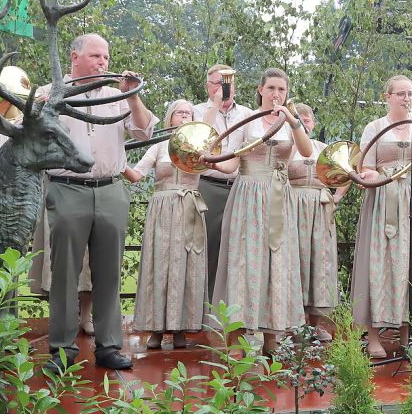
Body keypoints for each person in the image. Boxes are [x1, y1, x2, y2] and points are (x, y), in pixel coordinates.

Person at [44, 33, 158, 372]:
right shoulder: (50, 93)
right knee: (64, 272)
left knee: (109, 272)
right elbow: (27, 131)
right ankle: (62, 350)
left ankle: (108, 347)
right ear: (75, 57)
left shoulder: (116, 96)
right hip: (67, 187)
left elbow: (145, 131)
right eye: (95, 56)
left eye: (106, 57)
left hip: (111, 189)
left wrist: (132, 95)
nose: (103, 63)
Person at [205, 68, 313, 355]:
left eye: (282, 89)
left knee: (276, 262)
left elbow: (306, 151)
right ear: (261, 90)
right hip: (249, 195)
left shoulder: (290, 122)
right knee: (244, 262)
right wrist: (214, 163)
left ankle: (272, 339)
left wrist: (294, 122)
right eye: (272, 88)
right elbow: (231, 164)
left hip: (279, 195)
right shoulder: (245, 120)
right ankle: (237, 338)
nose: (277, 94)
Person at [352, 75, 412, 358]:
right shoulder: (375, 127)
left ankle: (407, 333)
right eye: (400, 93)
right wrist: (376, 175)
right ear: (387, 97)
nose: (406, 98)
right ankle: (374, 335)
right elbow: (363, 166)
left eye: (410, 94)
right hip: (383, 201)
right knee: (380, 262)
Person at [123, 99, 207, 350]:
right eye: (180, 112)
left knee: (187, 266)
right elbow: (137, 175)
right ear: (170, 117)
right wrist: (115, 160)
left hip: (191, 207)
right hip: (162, 209)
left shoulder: (203, 144)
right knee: (158, 266)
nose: (184, 116)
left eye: (189, 113)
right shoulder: (159, 146)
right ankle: (156, 329)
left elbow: (222, 166)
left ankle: (181, 327)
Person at [193, 64, 253, 300]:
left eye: (228, 83)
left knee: (240, 250)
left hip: (240, 187)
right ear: (208, 86)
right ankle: (207, 312)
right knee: (208, 249)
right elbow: (200, 138)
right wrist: (217, 104)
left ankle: (237, 311)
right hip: (209, 184)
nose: (224, 88)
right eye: (218, 83)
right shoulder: (198, 111)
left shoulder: (248, 114)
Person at [289, 103, 347, 342]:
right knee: (296, 261)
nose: (304, 124)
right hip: (292, 205)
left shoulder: (324, 149)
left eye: (308, 119)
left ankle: (316, 324)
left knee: (319, 263)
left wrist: (337, 197)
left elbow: (348, 170)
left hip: (321, 208)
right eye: (298, 119)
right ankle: (293, 324)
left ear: (313, 123)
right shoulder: (286, 149)